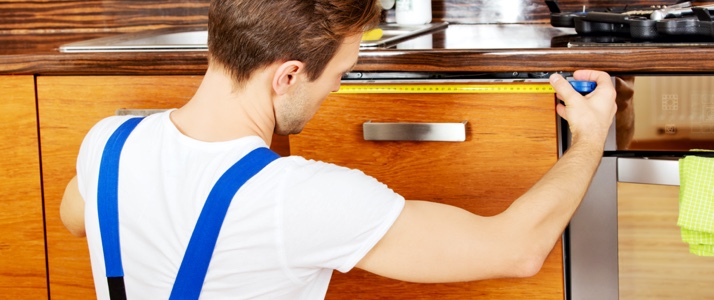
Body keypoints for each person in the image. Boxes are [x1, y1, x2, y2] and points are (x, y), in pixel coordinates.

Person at [60, 0, 617, 299]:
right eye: (341, 74)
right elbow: (514, 250)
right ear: (289, 75)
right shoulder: (295, 199)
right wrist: (590, 135)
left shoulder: (107, 146)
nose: (335, 89)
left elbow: (76, 216)